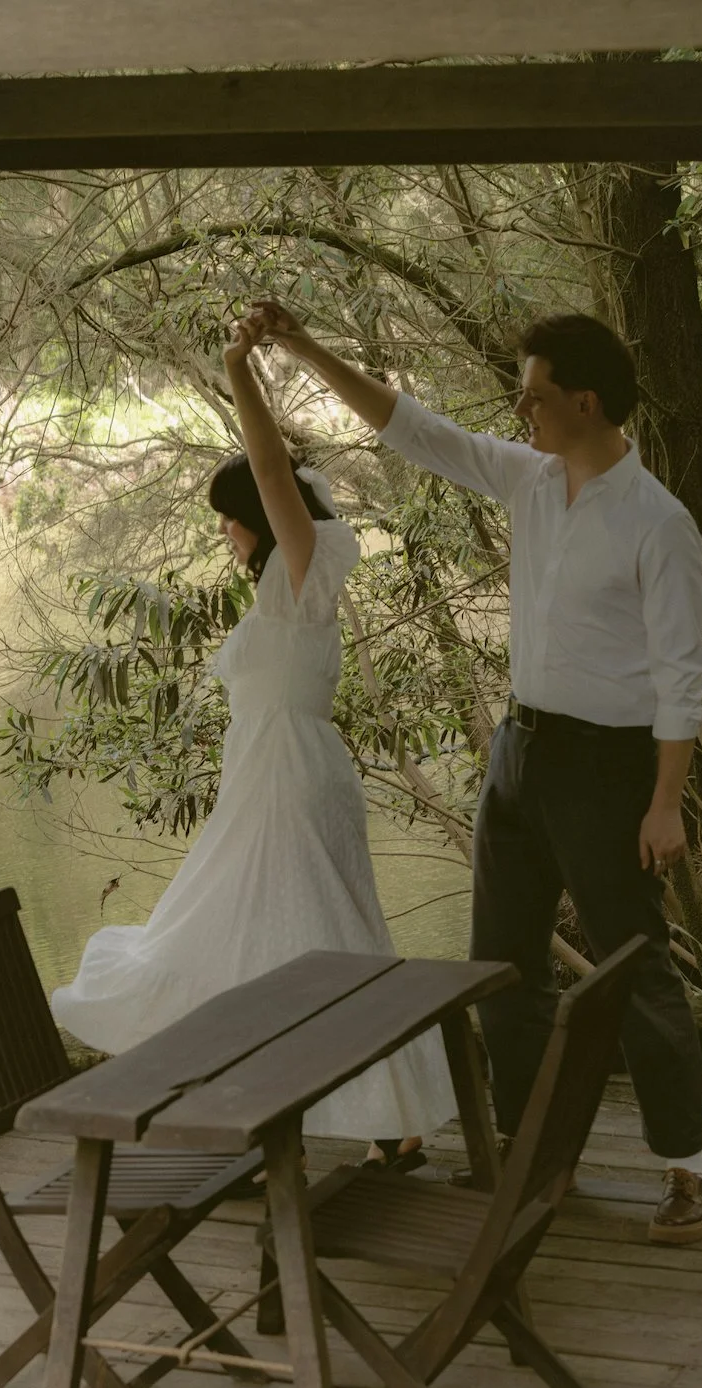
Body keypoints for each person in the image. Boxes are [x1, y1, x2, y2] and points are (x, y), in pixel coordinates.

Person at [248, 300, 702, 1245]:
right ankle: (534, 1150)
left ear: (587, 402)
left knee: (634, 968)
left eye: (537, 396)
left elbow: (682, 681)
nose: (523, 412)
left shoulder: (659, 526)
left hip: (609, 765)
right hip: (522, 752)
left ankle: (688, 1170)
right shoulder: (533, 480)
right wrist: (304, 346)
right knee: (500, 966)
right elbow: (411, 429)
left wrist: (666, 803)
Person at [53, 312, 457, 1176]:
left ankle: (382, 1115)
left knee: (323, 939)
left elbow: (270, 466)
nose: (224, 530)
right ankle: (306, 1108)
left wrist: (241, 368)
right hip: (267, 778)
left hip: (291, 781)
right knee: (267, 936)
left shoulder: (304, 573)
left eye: (229, 516)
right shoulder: (281, 587)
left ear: (264, 517)